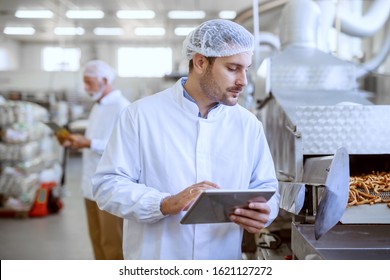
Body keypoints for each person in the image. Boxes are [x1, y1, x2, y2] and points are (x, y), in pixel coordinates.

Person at [92, 19, 280, 260]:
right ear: (200, 62)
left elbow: (266, 189)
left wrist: (264, 213)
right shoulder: (140, 115)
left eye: (246, 69)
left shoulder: (248, 125)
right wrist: (164, 203)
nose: (243, 80)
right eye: (233, 68)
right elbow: (107, 185)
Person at [61, 60, 130, 260]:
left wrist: (89, 143)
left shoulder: (122, 107)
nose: (86, 87)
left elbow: (121, 147)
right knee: (97, 240)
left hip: (110, 187)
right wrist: (77, 141)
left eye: (89, 82)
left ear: (105, 80)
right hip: (90, 186)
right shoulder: (98, 106)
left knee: (112, 243)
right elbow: (95, 140)